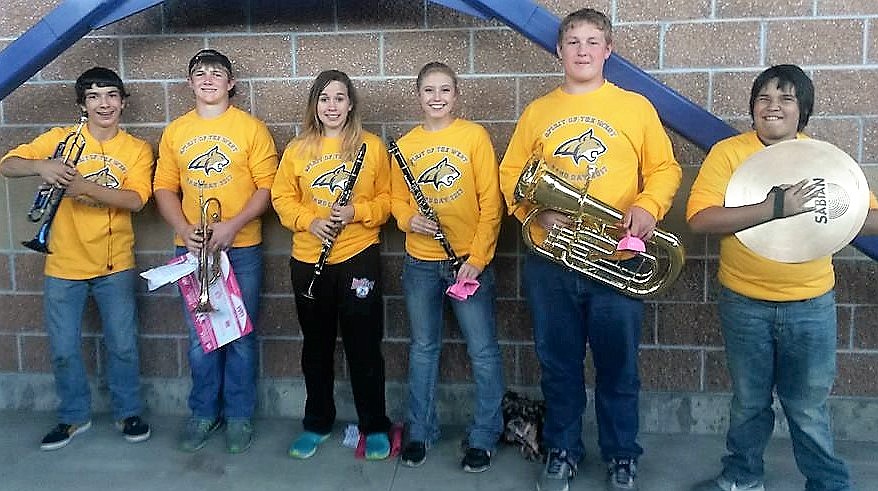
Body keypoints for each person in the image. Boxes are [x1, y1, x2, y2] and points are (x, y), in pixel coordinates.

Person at [498, 8, 682, 491]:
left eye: (592, 41)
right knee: (558, 364)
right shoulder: (538, 111)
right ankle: (562, 449)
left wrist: (647, 207)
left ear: (608, 49)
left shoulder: (635, 107)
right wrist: (533, 214)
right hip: (551, 259)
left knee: (618, 368)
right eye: (573, 41)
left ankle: (622, 454)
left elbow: (664, 169)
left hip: (616, 259)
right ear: (559, 51)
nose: (582, 49)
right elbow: (509, 174)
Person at [687, 64, 878, 491]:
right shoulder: (729, 153)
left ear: (802, 111)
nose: (773, 106)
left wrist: (837, 209)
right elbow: (700, 220)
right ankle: (742, 476)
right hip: (743, 301)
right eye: (764, 98)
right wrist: (777, 208)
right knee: (749, 403)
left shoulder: (825, 159)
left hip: (811, 304)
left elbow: (869, 220)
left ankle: (829, 484)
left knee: (807, 406)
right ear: (752, 108)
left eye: (786, 98)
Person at [1, 67, 154, 450]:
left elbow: (135, 199)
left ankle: (128, 411)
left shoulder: (135, 149)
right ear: (82, 105)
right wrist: (41, 166)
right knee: (64, 347)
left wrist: (82, 186)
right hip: (62, 262)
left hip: (114, 263)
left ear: (123, 102)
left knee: (122, 344)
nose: (104, 104)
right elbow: (6, 164)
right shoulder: (59, 139)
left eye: (111, 95)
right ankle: (72, 417)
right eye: (94, 96)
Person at [153, 49, 278, 454]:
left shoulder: (252, 128)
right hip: (193, 251)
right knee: (200, 337)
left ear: (231, 83)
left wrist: (232, 226)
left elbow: (266, 188)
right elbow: (163, 188)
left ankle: (239, 415)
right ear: (190, 84)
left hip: (241, 248)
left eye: (217, 73)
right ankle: (204, 412)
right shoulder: (175, 131)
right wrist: (185, 229)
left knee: (241, 335)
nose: (208, 79)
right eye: (199, 73)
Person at [271, 69, 393, 461]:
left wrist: (357, 210)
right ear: (315, 105)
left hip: (358, 256)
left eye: (339, 98)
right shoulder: (297, 149)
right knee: (316, 347)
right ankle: (317, 421)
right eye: (324, 98)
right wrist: (312, 221)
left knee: (364, 346)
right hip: (310, 259)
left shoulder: (371, 147)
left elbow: (388, 202)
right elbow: (282, 199)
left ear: (351, 103)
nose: (332, 105)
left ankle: (375, 423)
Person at [390, 62, 505, 473]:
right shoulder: (404, 144)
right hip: (421, 262)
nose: (436, 98)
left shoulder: (474, 137)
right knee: (423, 350)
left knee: (483, 351)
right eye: (428, 91)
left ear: (457, 95)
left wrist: (477, 259)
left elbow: (492, 203)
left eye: (444, 90)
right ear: (417, 95)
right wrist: (408, 220)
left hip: (468, 265)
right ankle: (420, 431)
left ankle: (485, 434)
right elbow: (395, 200)